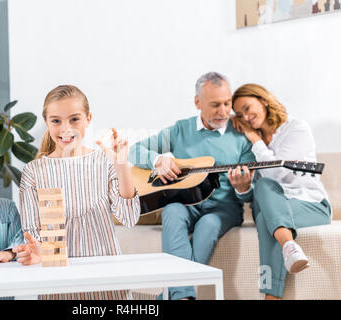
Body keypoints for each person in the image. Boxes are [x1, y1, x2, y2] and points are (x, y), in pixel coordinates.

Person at [128, 72, 256, 300]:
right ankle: (183, 296)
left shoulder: (241, 136)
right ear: (198, 102)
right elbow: (134, 150)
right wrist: (158, 161)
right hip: (185, 203)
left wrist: (243, 187)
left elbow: (247, 198)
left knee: (207, 225)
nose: (224, 111)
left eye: (227, 103)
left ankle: (173, 296)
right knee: (171, 210)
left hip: (222, 209)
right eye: (215, 105)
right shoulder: (180, 130)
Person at [12, 84, 140, 300]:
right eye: (56, 121)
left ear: (88, 118)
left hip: (106, 281)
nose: (66, 128)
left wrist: (121, 166)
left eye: (74, 119)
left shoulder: (104, 162)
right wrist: (37, 251)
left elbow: (129, 218)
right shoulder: (33, 172)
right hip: (58, 284)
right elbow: (33, 232)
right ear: (46, 122)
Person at [231, 83, 332, 300]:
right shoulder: (247, 144)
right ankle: (289, 248)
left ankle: (270, 295)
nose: (246, 117)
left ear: (264, 101)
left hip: (311, 205)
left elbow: (276, 174)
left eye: (248, 108)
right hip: (275, 210)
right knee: (263, 203)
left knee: (266, 202)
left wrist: (256, 140)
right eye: (240, 114)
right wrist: (242, 187)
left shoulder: (296, 128)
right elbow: (252, 194)